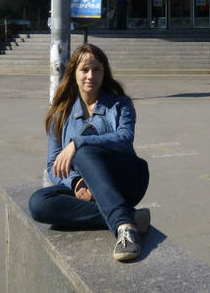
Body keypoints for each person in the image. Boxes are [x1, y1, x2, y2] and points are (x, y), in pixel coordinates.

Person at [28, 44, 150, 262]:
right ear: (74, 73)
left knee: (83, 152)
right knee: (39, 203)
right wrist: (75, 183)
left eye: (97, 69)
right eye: (84, 70)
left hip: (126, 179)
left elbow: (124, 138)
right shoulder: (60, 115)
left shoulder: (120, 105)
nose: (90, 76)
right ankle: (127, 216)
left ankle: (125, 231)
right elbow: (52, 164)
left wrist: (77, 143)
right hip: (87, 191)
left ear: (105, 73)